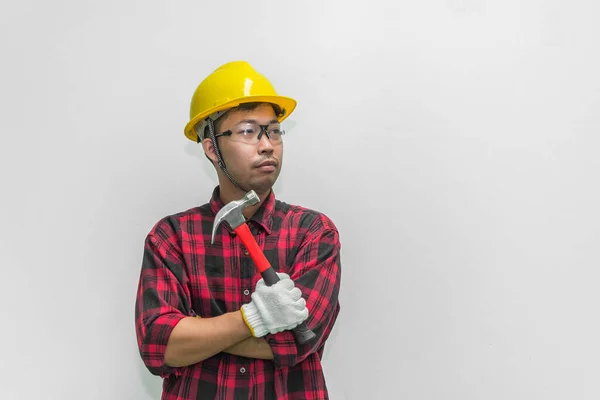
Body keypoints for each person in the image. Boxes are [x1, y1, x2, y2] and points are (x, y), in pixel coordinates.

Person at [134, 60, 342, 400]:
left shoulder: (314, 233)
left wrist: (198, 333)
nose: (267, 145)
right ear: (212, 147)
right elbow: (159, 345)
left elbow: (300, 339)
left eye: (273, 131)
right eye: (248, 131)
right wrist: (256, 317)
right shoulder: (171, 237)